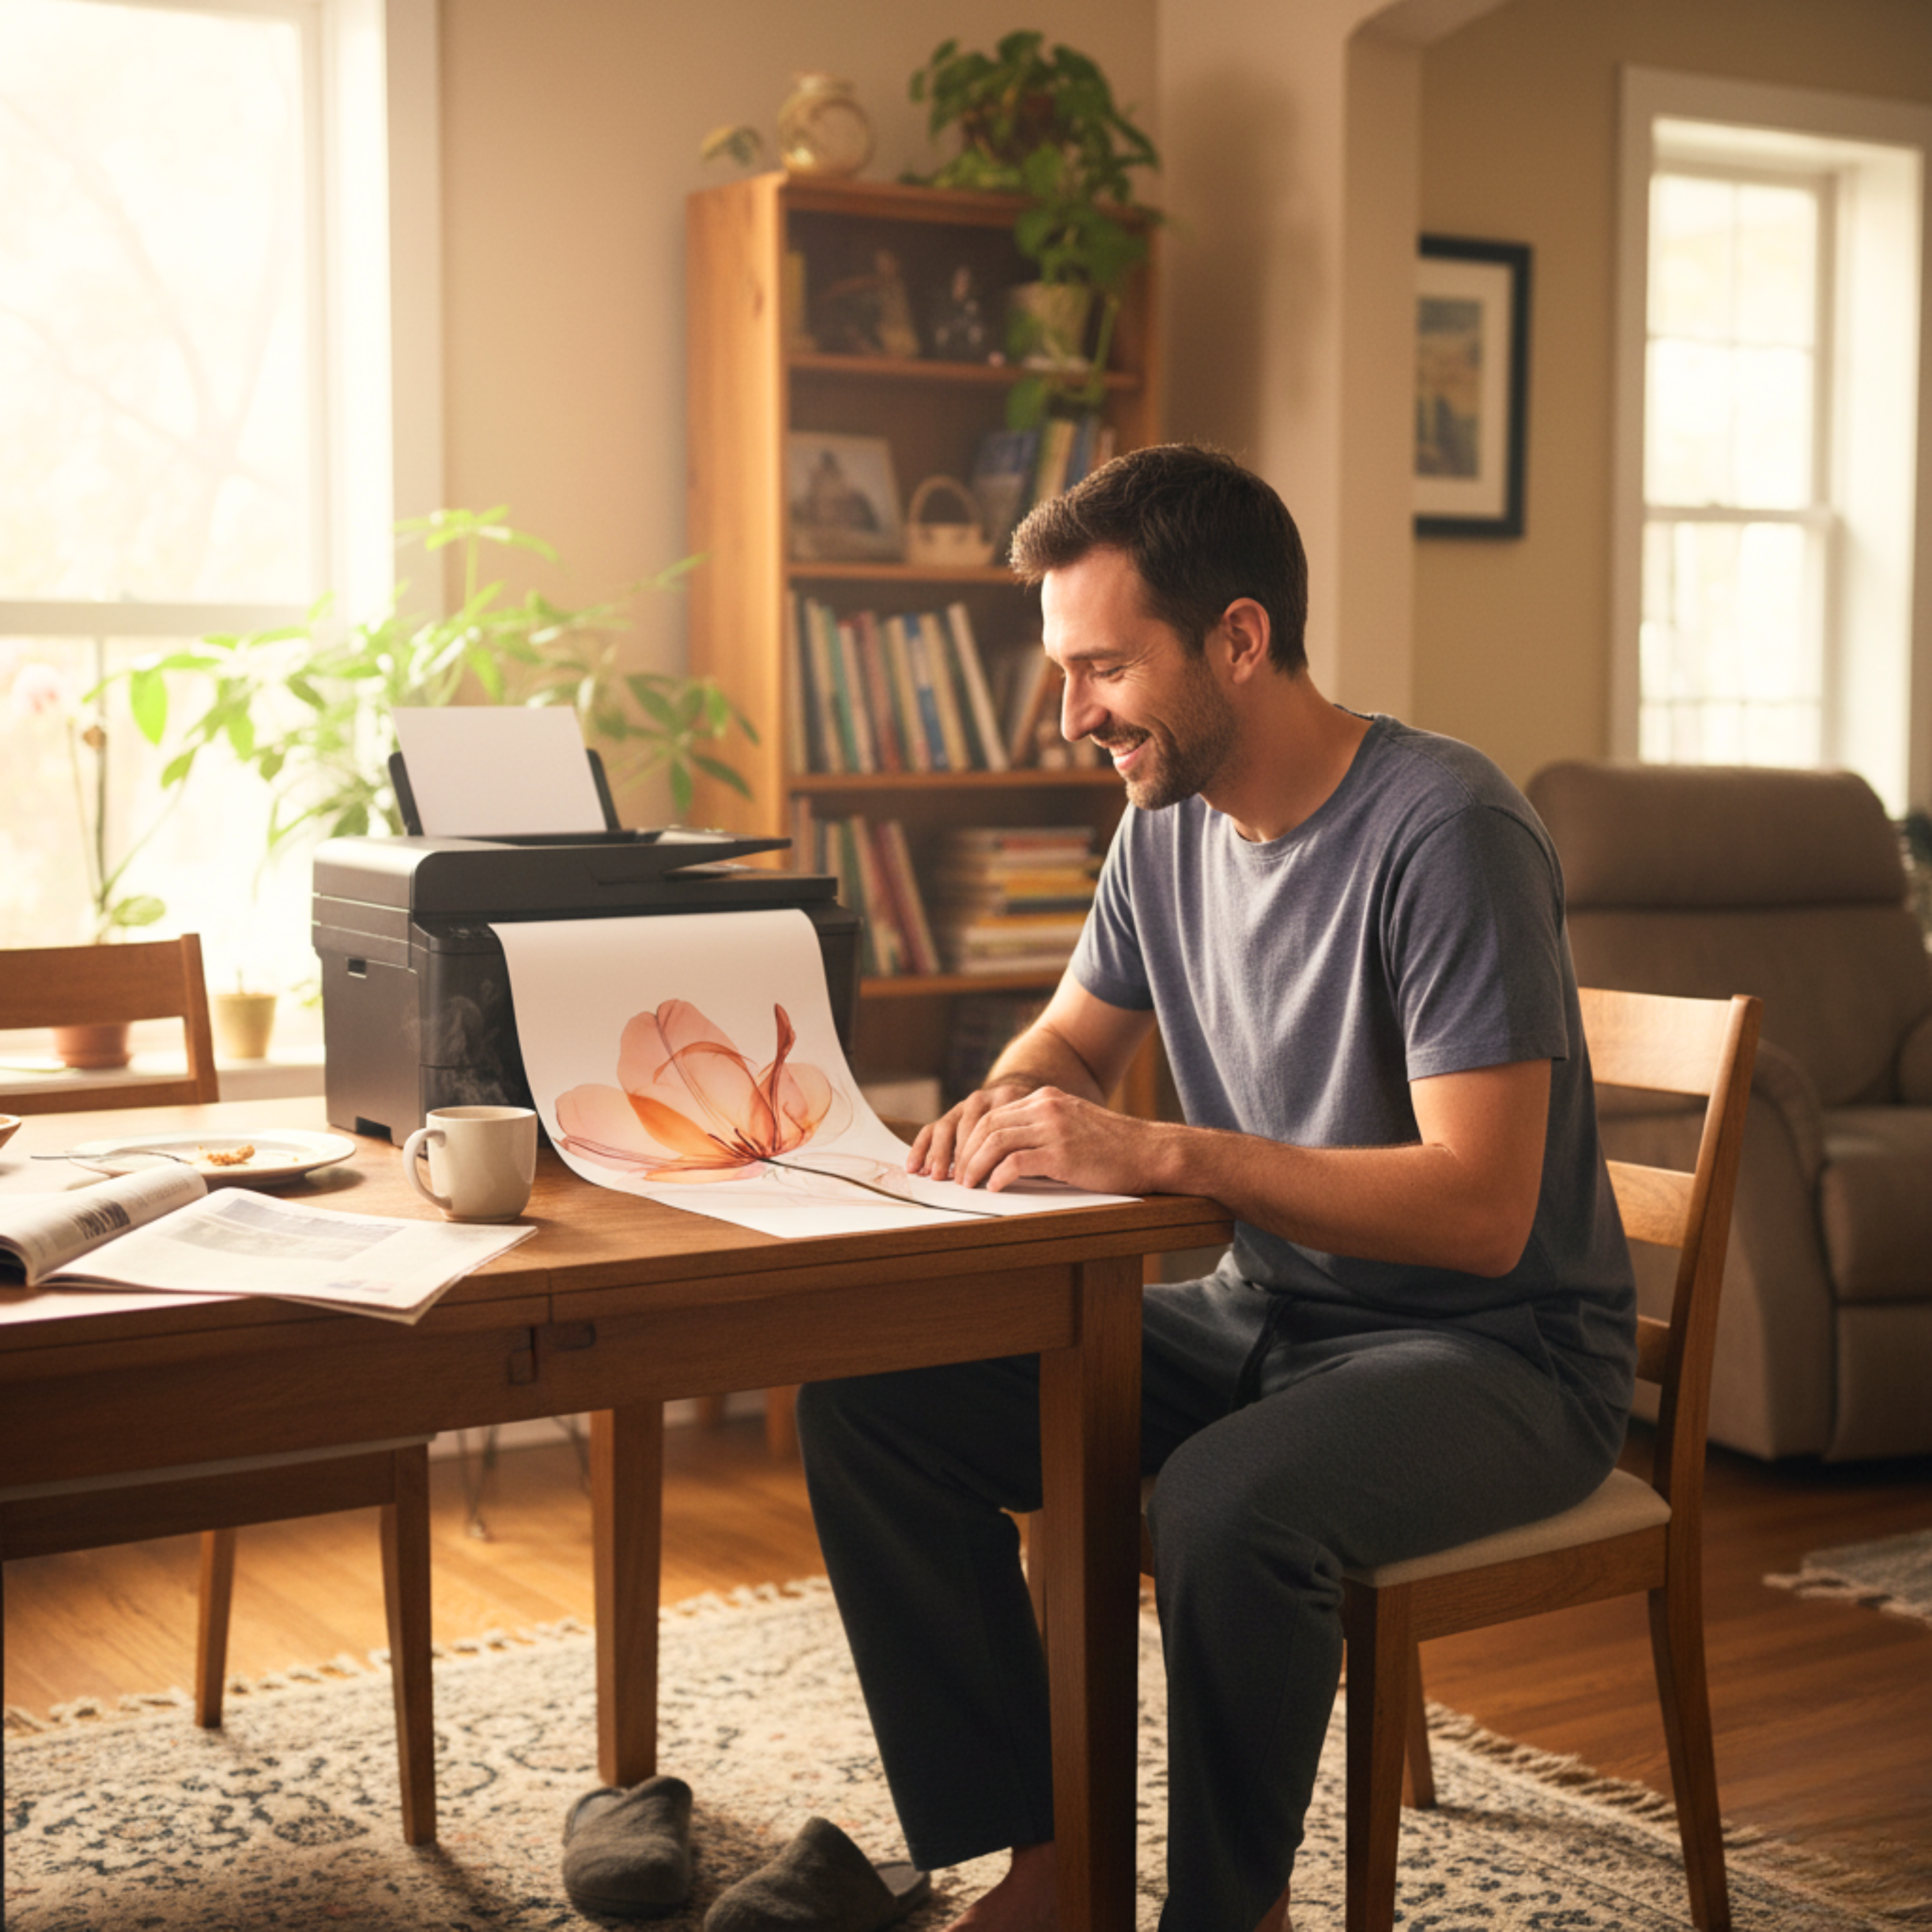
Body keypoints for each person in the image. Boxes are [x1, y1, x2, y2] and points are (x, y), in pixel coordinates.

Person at [796, 444, 1635, 1932]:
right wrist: (1003, 1108)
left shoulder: (1450, 832)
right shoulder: (1165, 824)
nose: (1075, 716)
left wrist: (1167, 1152)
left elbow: (1481, 1209)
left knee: (1223, 1503)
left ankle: (1229, 1914)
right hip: (1270, 1317)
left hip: (1500, 1355)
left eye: (1105, 668)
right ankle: (1054, 1872)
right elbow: (1073, 1042)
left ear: (1239, 639)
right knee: (873, 1403)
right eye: (1066, 672)